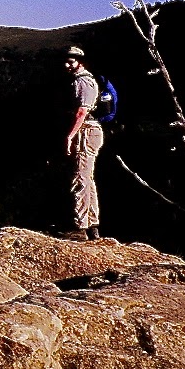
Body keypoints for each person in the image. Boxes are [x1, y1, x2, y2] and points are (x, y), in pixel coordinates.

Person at [62, 46, 103, 240]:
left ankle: (80, 227)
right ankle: (92, 224)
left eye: (71, 62)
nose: (67, 65)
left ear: (81, 62)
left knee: (80, 177)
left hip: (86, 131)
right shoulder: (84, 80)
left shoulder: (83, 82)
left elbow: (81, 112)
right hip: (89, 130)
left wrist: (70, 135)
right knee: (88, 178)